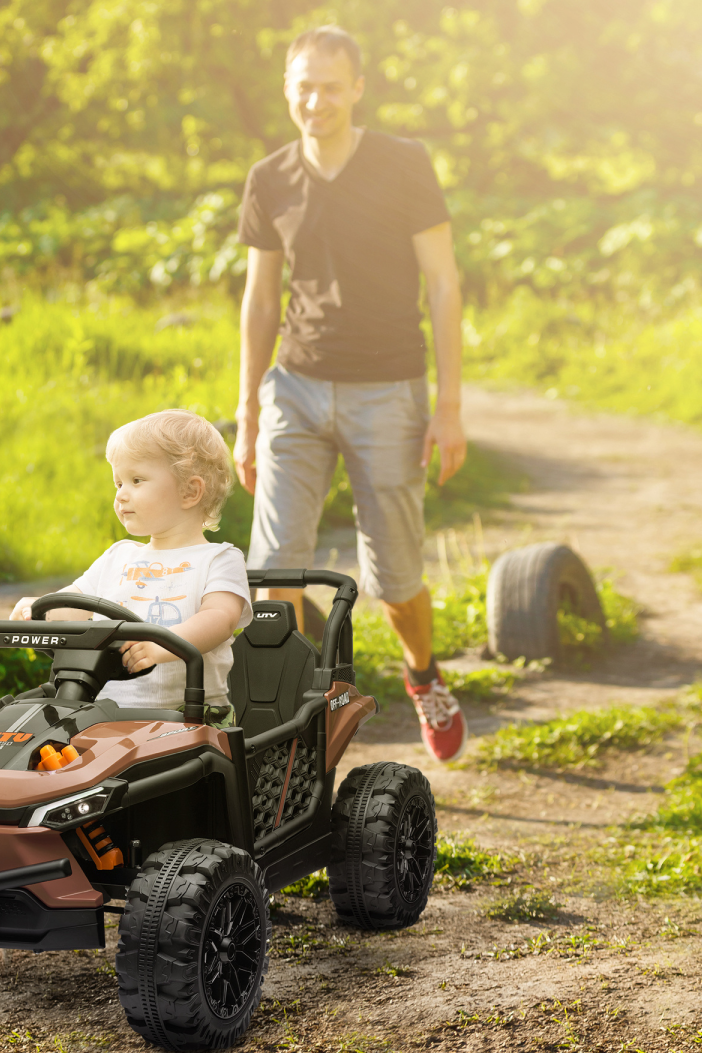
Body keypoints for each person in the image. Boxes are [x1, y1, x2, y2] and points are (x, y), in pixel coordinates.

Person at [233, 24, 469, 762]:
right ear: (287, 91)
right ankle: (302, 712)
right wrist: (246, 412)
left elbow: (443, 281)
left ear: (357, 88)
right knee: (272, 571)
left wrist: (450, 404)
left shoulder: (403, 164)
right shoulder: (269, 178)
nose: (316, 100)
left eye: (331, 86)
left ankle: (422, 675)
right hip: (295, 390)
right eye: (303, 86)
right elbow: (260, 299)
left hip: (388, 391)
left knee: (394, 577)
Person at [10, 409, 252, 725]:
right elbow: (74, 603)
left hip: (189, 718)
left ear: (190, 491)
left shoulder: (219, 560)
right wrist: (40, 611)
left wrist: (162, 645)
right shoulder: (118, 557)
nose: (121, 495)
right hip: (103, 716)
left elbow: (219, 619)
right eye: (118, 482)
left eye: (136, 480)